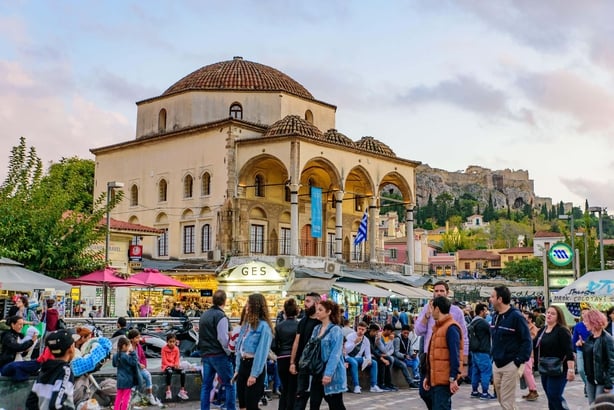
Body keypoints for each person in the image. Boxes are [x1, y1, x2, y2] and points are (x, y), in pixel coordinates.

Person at [415, 281, 469, 404]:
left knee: (441, 393)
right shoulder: (427, 309)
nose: (438, 293)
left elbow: (464, 338)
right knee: (425, 393)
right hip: (429, 357)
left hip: (446, 358)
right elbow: (418, 331)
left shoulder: (456, 312)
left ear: (447, 293)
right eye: (436, 291)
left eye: (441, 291)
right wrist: (427, 316)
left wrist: (464, 363)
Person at [490, 285, 532, 410]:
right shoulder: (495, 316)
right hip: (497, 363)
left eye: (492, 296)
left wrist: (518, 361)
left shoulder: (516, 317)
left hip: (511, 363)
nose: (490, 299)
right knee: (501, 397)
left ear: (500, 299)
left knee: (507, 400)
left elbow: (527, 341)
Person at [304, 299, 347, 410]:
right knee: (314, 403)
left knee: (336, 405)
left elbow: (335, 354)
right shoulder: (316, 329)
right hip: (316, 370)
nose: (317, 312)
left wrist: (328, 374)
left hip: (332, 373)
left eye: (320, 310)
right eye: (317, 309)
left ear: (328, 312)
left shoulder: (336, 330)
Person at [422, 296, 463, 410]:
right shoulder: (438, 327)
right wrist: (428, 376)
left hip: (444, 380)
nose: (431, 311)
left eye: (432, 307)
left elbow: (455, 354)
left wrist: (453, 378)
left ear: (437, 309)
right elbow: (433, 355)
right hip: (436, 378)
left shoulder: (451, 328)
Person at [234, 293, 274, 410]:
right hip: (243, 364)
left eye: (248, 303)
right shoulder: (246, 324)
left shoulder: (264, 327)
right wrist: (237, 369)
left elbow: (261, 353)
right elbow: (239, 347)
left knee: (251, 405)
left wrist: (254, 374)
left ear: (255, 306)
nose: (246, 306)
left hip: (254, 365)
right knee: (242, 404)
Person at [199, 289, 236, 410]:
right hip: (219, 355)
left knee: (206, 386)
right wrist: (229, 351)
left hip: (206, 354)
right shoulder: (221, 316)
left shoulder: (204, 315)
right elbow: (222, 338)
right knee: (230, 383)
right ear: (224, 301)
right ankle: (231, 408)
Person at [534, 305, 575, 410]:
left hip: (559, 369)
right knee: (550, 396)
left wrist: (571, 369)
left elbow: (569, 351)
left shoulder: (562, 331)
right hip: (545, 367)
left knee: (554, 395)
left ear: (558, 316)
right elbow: (534, 345)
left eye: (553, 313)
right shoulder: (543, 330)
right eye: (548, 312)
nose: (549, 315)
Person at [26, 329, 76, 410]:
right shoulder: (65, 371)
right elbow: (56, 405)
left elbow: (31, 403)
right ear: (71, 348)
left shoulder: (45, 369)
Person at [290, 292, 321, 410]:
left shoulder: (322, 322)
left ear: (317, 303)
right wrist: (292, 362)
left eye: (308, 301)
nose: (305, 304)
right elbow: (296, 342)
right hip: (303, 365)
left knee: (316, 400)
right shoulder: (303, 321)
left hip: (317, 367)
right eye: (305, 301)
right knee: (300, 398)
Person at [579, 309, 614, 404]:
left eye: (586, 321)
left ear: (593, 321)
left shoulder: (607, 339)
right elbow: (592, 355)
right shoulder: (590, 338)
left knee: (600, 406)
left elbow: (611, 362)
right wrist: (582, 346)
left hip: (602, 380)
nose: (584, 323)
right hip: (590, 379)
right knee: (592, 405)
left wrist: (608, 383)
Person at [273, 298, 299, 410]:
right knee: (293, 389)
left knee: (284, 387)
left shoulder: (279, 326)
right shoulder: (299, 325)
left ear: (285, 311)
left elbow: (273, 345)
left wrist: (279, 353)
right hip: (295, 359)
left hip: (282, 358)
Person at [345, 321, 382, 393]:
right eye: (359, 329)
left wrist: (369, 360)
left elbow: (368, 353)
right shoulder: (350, 336)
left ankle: (373, 385)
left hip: (359, 358)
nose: (360, 331)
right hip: (348, 357)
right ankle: (356, 386)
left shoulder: (366, 340)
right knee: (354, 363)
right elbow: (346, 350)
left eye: (362, 329)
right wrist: (354, 343)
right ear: (357, 328)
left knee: (374, 363)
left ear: (365, 330)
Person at [377, 323, 418, 389]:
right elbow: (395, 352)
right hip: (395, 357)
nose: (406, 335)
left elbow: (392, 349)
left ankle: (416, 377)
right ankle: (410, 382)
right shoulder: (397, 339)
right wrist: (404, 356)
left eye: (408, 333)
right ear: (401, 331)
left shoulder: (409, 340)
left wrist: (413, 354)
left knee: (417, 360)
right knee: (401, 364)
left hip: (402, 357)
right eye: (405, 333)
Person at [467, 303, 495, 400]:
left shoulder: (473, 322)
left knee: (475, 371)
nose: (486, 313)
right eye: (485, 310)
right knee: (485, 371)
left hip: (474, 350)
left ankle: (474, 391)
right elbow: (493, 331)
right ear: (481, 311)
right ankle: (484, 392)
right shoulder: (483, 323)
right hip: (483, 351)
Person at [127, 329, 162, 406]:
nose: (138, 339)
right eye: (136, 338)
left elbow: (143, 357)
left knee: (148, 375)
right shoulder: (128, 348)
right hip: (131, 369)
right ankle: (129, 398)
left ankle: (150, 395)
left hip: (139, 368)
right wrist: (138, 365)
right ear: (131, 339)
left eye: (139, 337)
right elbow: (129, 360)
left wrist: (143, 365)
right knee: (135, 380)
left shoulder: (138, 346)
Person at [113, 336, 140, 410]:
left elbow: (114, 364)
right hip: (127, 380)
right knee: (126, 397)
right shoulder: (125, 356)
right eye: (128, 345)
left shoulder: (116, 356)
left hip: (120, 380)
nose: (129, 347)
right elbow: (134, 362)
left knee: (118, 396)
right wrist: (133, 352)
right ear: (124, 346)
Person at [162, 333, 189, 401]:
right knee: (169, 371)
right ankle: (168, 391)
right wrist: (172, 365)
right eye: (170, 341)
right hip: (166, 365)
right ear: (167, 342)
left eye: (173, 341)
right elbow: (164, 361)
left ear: (175, 341)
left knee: (183, 371)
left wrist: (176, 364)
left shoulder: (176, 349)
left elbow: (177, 359)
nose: (172, 343)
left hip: (174, 365)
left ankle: (182, 391)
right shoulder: (163, 349)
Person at [521, 310, 540, 401]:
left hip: (529, 353)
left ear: (530, 319)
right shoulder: (523, 327)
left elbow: (532, 339)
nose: (522, 318)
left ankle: (534, 390)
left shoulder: (533, 328)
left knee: (527, 372)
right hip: (523, 352)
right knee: (526, 373)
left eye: (525, 316)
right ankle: (530, 390)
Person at [573, 307, 591, 397]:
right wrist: (575, 347)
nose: (584, 315)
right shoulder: (578, 325)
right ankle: (587, 383)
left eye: (587, 313)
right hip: (580, 350)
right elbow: (574, 339)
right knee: (580, 370)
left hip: (591, 351)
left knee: (589, 370)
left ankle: (588, 386)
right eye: (583, 313)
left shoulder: (593, 324)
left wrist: (585, 343)